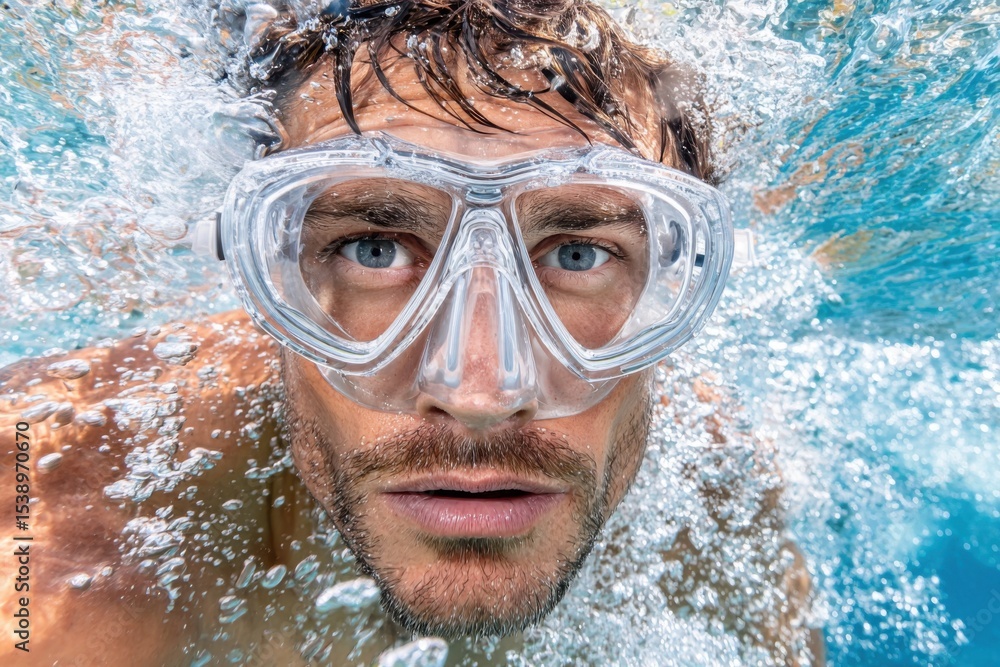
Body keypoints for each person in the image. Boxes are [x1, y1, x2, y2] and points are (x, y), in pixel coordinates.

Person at [0, 0, 824, 664]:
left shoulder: (715, 498)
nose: (479, 391)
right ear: (264, 270)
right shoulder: (58, 560)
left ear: (674, 277)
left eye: (578, 253)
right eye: (376, 248)